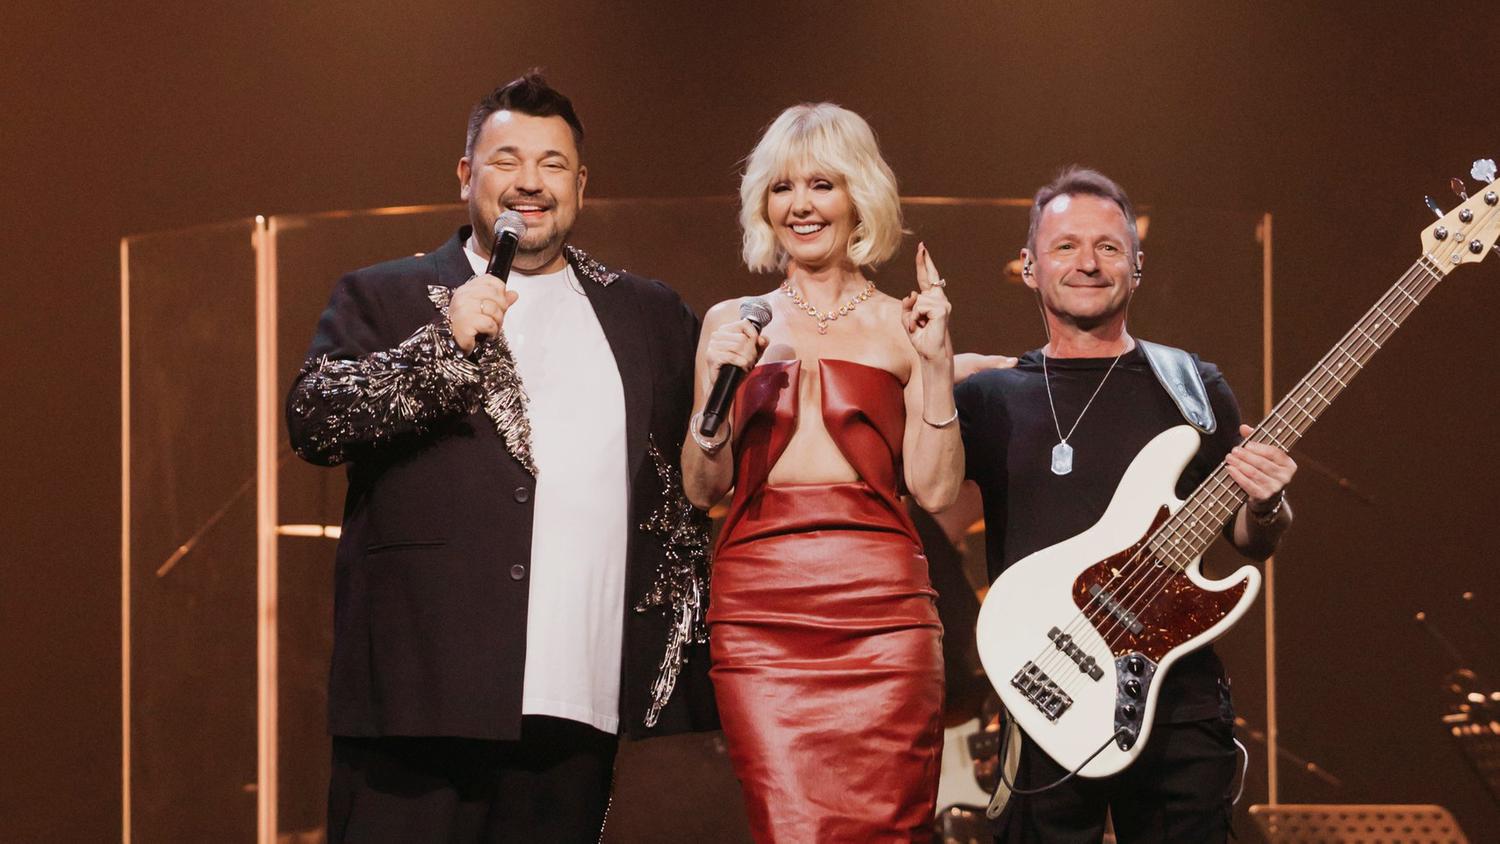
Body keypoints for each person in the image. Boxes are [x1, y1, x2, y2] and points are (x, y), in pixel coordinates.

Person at [285, 71, 716, 843]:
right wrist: (440, 347)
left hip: (576, 707)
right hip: (417, 704)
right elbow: (314, 420)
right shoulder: (386, 295)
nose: (529, 183)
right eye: (507, 160)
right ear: (466, 175)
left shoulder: (648, 314)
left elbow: (713, 450)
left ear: (580, 185)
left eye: (553, 164)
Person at [954, 167, 1296, 842]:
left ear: (1137, 267)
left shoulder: (1192, 385)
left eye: (1109, 247)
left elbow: (1250, 539)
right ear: (1029, 266)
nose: (1088, 262)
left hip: (1179, 703)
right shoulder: (990, 397)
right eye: (1066, 246)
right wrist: (928, 371)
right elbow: (927, 502)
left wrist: (1268, 502)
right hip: (1046, 691)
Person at [681, 103, 964, 842]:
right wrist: (716, 393)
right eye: (782, 188)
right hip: (760, 615)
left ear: (859, 195)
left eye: (821, 184)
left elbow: (936, 490)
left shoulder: (903, 324)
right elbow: (702, 489)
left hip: (884, 615)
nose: (800, 205)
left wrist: (936, 364)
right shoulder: (731, 322)